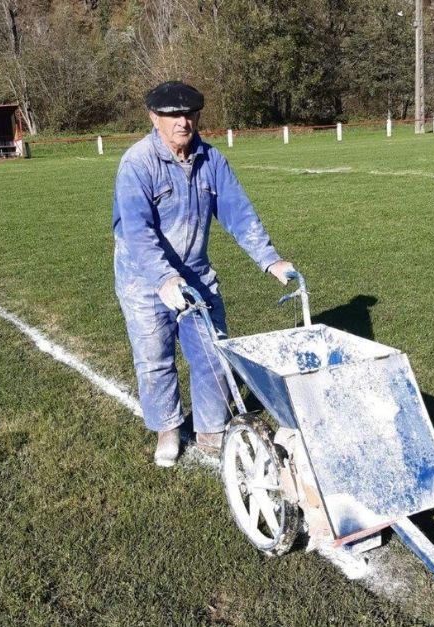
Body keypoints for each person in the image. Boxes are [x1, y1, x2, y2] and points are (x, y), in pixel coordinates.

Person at [112, 81, 294, 467]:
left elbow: (238, 212)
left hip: (195, 273)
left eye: (190, 114)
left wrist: (270, 259)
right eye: (173, 115)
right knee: (154, 357)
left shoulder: (211, 160)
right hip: (145, 280)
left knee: (213, 352)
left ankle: (211, 429)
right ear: (153, 117)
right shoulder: (137, 164)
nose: (183, 121)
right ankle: (167, 428)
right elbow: (137, 233)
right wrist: (164, 280)